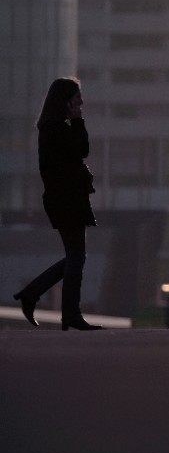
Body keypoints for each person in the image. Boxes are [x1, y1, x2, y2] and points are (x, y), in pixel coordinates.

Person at [11, 78, 102, 330]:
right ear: (65, 100)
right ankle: (69, 312)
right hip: (67, 200)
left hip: (66, 199)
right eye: (77, 98)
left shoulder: (53, 127)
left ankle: (32, 294)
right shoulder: (55, 128)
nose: (81, 103)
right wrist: (78, 120)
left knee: (75, 256)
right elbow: (82, 149)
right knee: (77, 257)